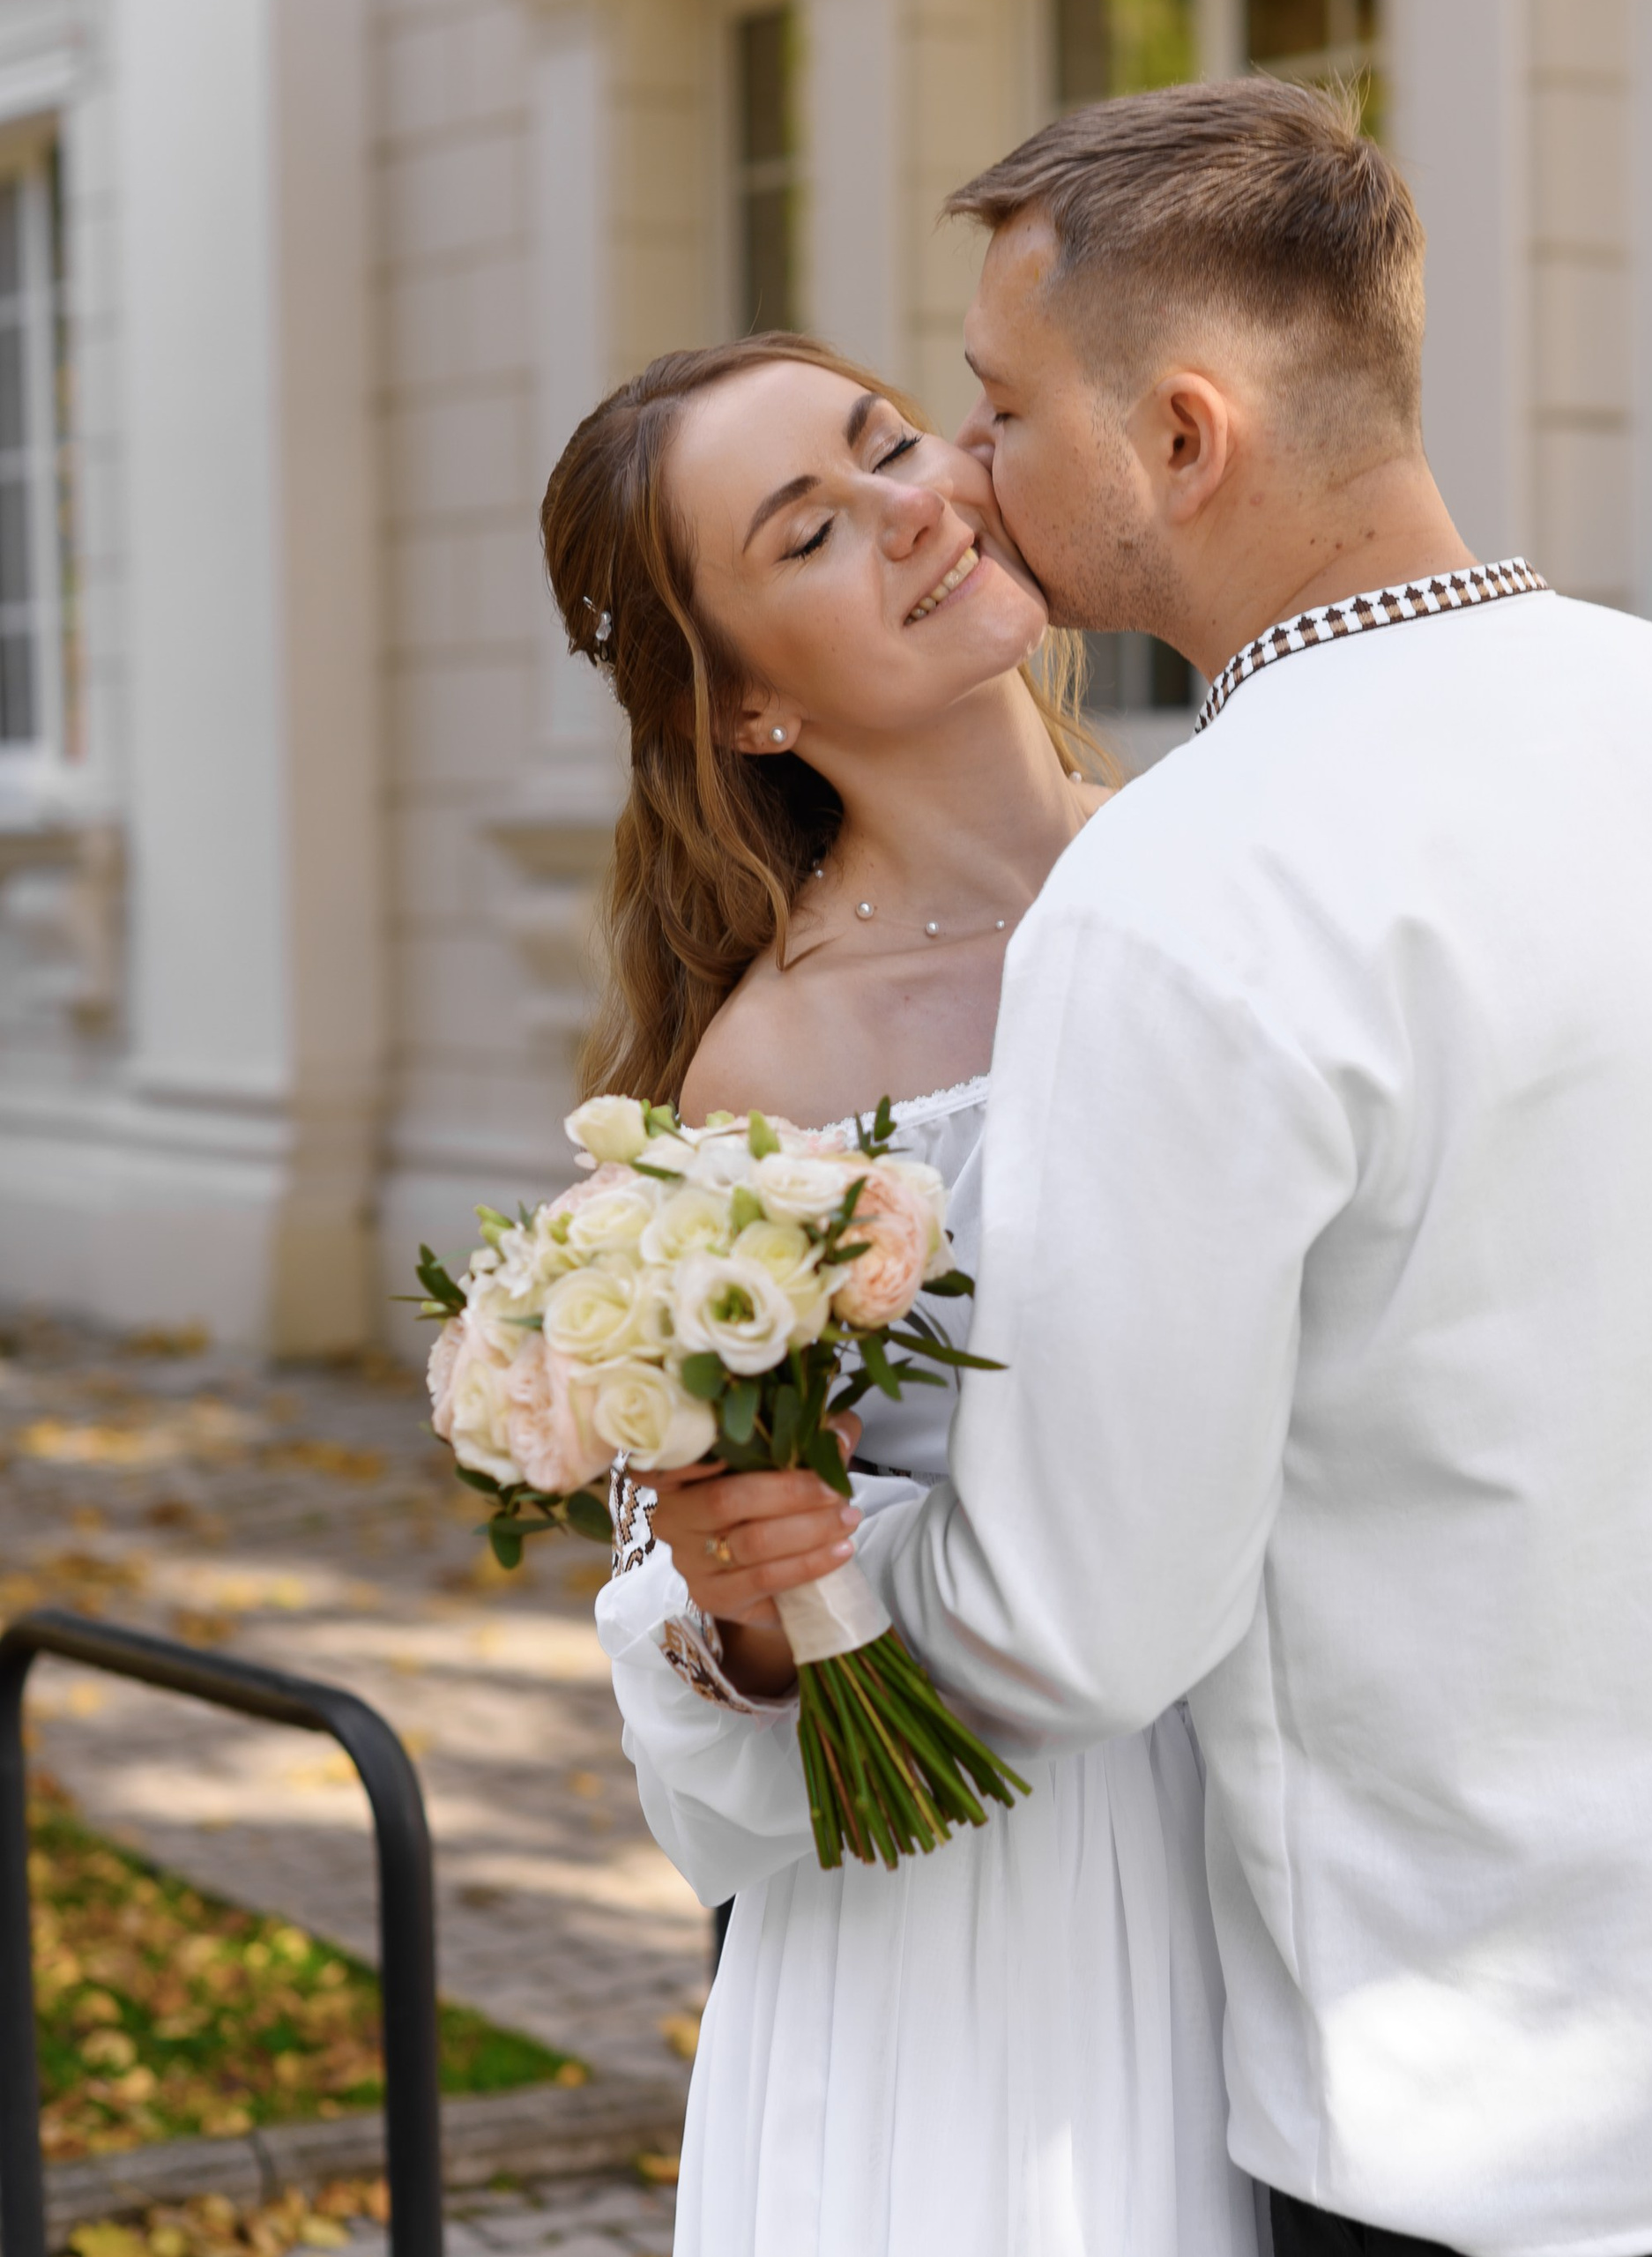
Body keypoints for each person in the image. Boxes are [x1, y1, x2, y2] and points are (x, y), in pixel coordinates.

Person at [696, 78, 1652, 2257]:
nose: (967, 472)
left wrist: (776, 1609)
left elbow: (1070, 1631)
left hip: (1513, 2107)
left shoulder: (1190, 888)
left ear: (1180, 437)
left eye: (1001, 408)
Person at [541, 334, 1263, 2257]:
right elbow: (710, 1601)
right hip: (986, 1916)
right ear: (747, 704)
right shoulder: (774, 1077)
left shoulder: (1232, 863)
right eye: (810, 531)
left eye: (890, 444)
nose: (914, 507)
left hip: (1292, 1830)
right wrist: (754, 1593)